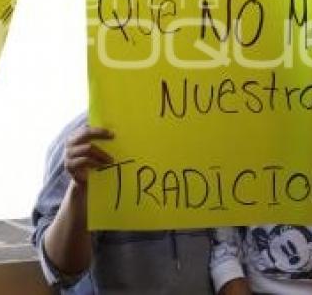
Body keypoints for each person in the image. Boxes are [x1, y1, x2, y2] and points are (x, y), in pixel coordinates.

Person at [31, 113, 214, 294]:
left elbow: (228, 245)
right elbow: (59, 269)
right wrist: (78, 189)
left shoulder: (208, 127)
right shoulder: (86, 142)